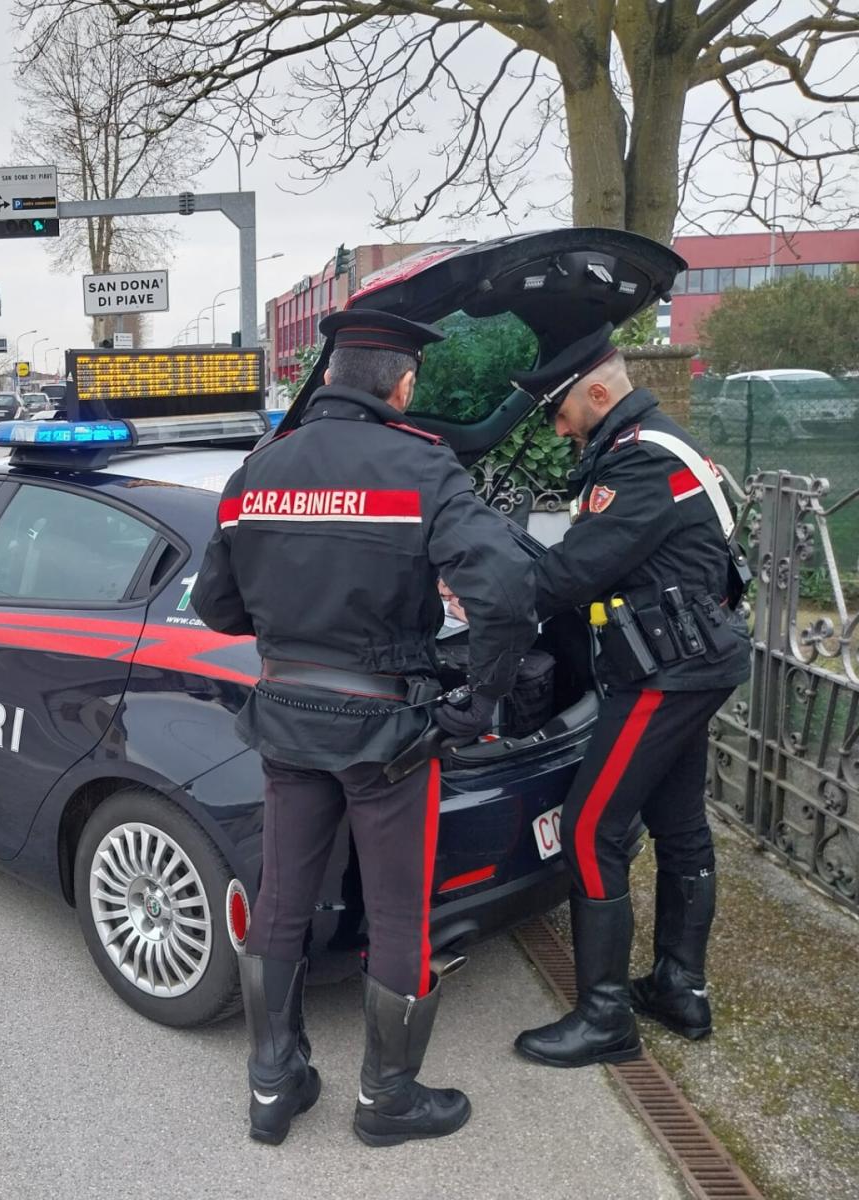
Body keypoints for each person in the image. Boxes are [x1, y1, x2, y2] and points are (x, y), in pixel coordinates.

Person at [192, 309, 537, 1147]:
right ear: (404, 384)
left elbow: (214, 605)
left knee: (281, 901)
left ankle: (273, 1089)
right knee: (397, 914)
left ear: (333, 376)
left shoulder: (257, 472)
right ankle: (388, 1102)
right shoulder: (423, 469)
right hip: (390, 734)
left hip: (287, 718)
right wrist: (478, 702)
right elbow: (507, 592)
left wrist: (293, 623)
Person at [511, 326, 751, 1068]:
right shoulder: (666, 442)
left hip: (663, 672)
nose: (556, 428)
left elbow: (568, 577)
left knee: (589, 828)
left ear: (597, 392)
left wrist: (487, 574)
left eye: (560, 411)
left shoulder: (639, 461)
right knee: (678, 823)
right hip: (696, 660)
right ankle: (682, 989)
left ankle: (605, 1018)